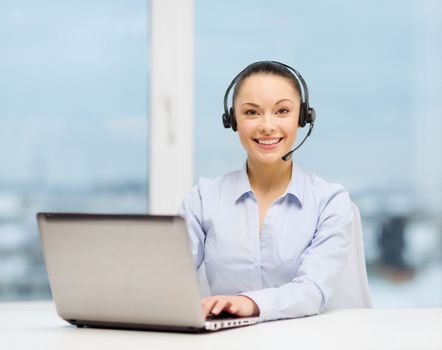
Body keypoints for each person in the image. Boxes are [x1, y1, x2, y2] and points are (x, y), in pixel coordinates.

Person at [180, 61, 353, 322]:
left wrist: (248, 303)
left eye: (282, 110)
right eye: (252, 112)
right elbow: (170, 276)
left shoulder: (329, 201)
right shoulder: (204, 198)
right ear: (232, 120)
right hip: (225, 342)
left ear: (302, 117)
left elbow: (312, 290)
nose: (267, 126)